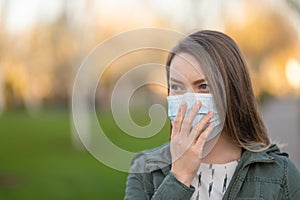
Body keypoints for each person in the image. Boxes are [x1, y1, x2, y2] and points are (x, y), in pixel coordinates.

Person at [124, 30, 300, 200]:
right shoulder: (145, 168)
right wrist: (179, 177)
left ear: (232, 91)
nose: (188, 101)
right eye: (177, 87)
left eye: (203, 86)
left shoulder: (280, 174)